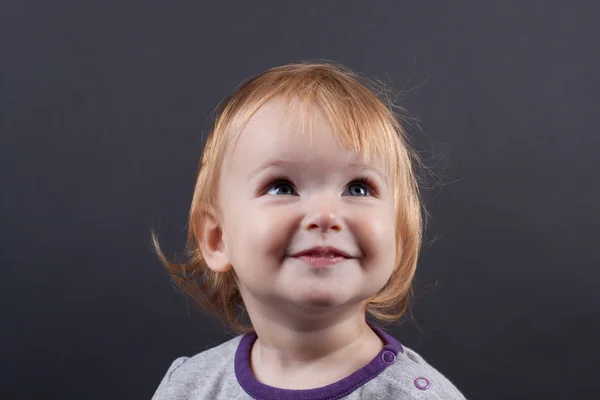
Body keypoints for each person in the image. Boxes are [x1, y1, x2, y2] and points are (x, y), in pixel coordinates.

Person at [151, 62, 466, 399]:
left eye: (358, 188)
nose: (325, 214)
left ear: (398, 239)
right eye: (282, 187)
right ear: (217, 239)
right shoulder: (189, 388)